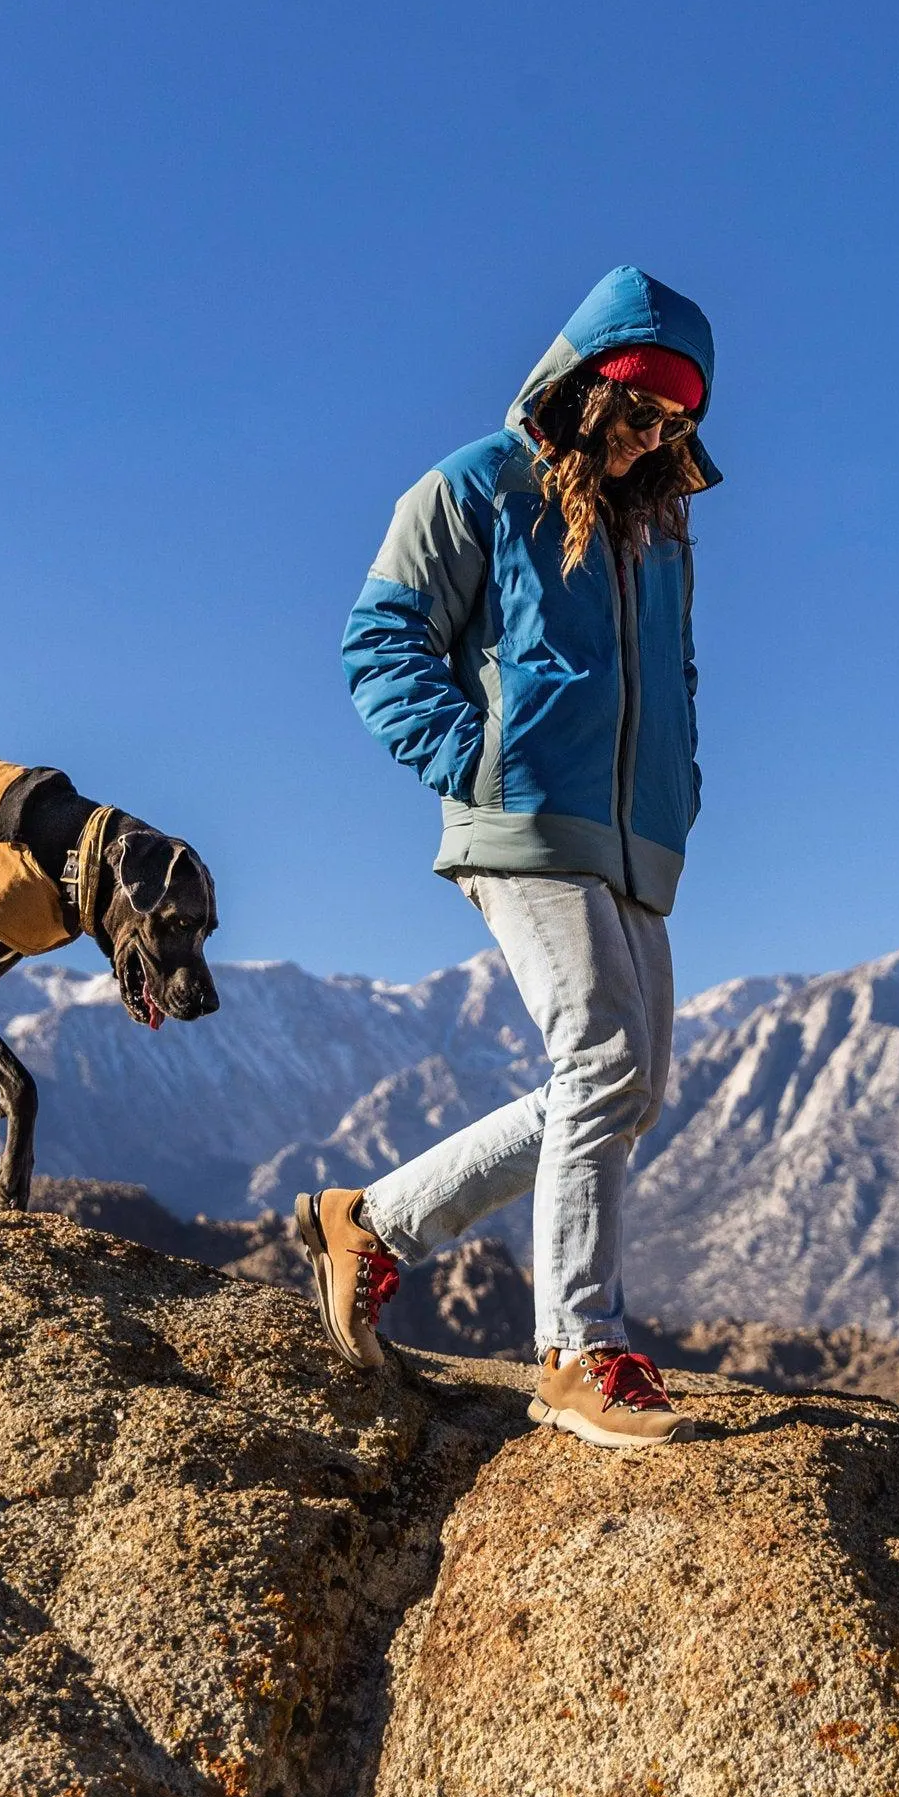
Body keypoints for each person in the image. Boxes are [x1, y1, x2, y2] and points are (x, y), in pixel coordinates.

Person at [299, 265, 722, 1449]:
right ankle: (576, 1348)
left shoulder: (657, 533)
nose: (651, 439)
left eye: (675, 423)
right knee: (598, 1055)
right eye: (637, 410)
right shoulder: (475, 486)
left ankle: (368, 1222)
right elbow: (378, 638)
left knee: (623, 1085)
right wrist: (472, 760)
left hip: (632, 842)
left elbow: (672, 678)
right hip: (524, 821)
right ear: (583, 388)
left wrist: (677, 788)